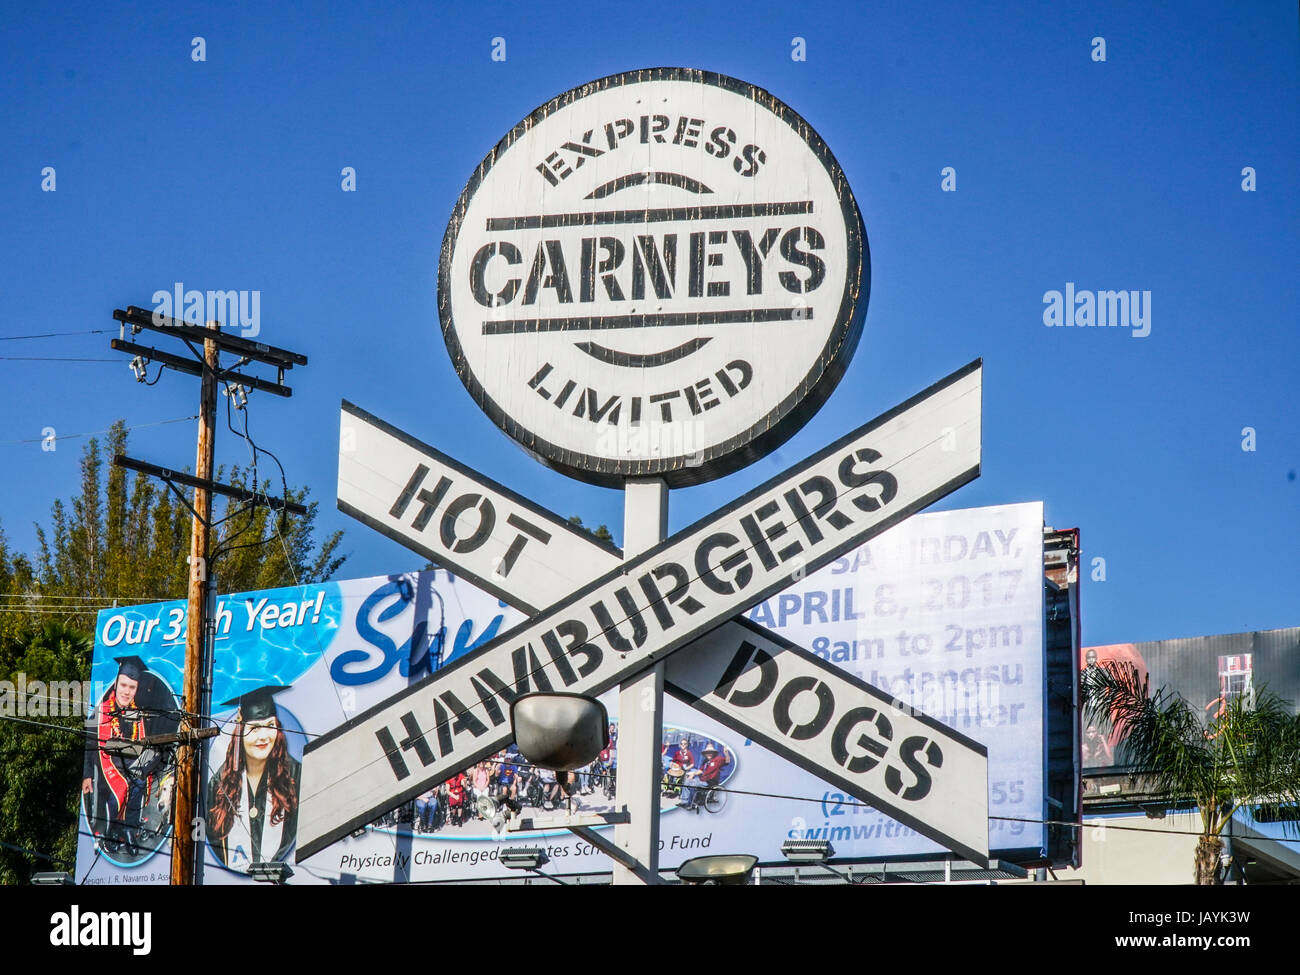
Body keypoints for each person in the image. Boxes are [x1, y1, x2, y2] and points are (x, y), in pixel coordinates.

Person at [206, 685, 301, 871]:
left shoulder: (295, 776)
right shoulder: (219, 785)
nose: (264, 736)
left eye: (270, 726)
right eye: (255, 728)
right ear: (240, 731)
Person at [82, 655, 168, 854]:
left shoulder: (136, 714)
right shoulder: (100, 712)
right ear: (116, 685)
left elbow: (141, 743)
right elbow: (89, 744)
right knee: (124, 788)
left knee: (139, 779)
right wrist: (87, 775)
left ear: (136, 690)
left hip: (130, 764)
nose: (126, 692)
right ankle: (112, 830)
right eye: (123, 685)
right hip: (107, 767)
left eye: (132, 687)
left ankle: (128, 831)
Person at [679, 742, 729, 809]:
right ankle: (684, 801)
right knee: (687, 781)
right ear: (705, 753)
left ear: (713, 753)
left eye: (710, 752)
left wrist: (726, 753)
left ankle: (690, 804)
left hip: (710, 782)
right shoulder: (705, 761)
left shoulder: (718, 759)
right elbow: (701, 770)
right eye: (707, 752)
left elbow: (727, 761)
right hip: (702, 780)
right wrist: (693, 774)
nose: (709, 753)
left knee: (693, 784)